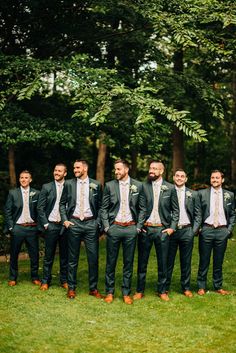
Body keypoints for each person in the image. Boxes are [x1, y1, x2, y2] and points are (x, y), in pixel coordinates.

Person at [101, 159, 146, 304]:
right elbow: (104, 208)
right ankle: (109, 292)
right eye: (115, 169)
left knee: (128, 262)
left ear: (126, 170)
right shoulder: (109, 185)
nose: (116, 172)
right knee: (111, 262)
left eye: (119, 169)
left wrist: (138, 227)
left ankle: (126, 292)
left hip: (131, 229)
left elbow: (142, 208)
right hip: (114, 228)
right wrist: (107, 227)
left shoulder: (138, 185)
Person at [134, 160, 179, 301]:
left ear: (161, 171)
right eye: (150, 168)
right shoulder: (143, 186)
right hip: (146, 229)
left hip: (162, 230)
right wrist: (140, 226)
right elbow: (138, 208)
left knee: (163, 262)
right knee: (142, 262)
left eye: (154, 168)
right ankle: (139, 290)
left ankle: (162, 290)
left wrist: (172, 228)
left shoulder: (170, 188)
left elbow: (176, 210)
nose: (151, 170)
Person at [59, 160, 103, 299]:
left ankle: (93, 289)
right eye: (74, 167)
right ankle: (71, 288)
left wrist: (97, 222)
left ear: (85, 168)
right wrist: (65, 220)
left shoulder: (96, 185)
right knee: (72, 258)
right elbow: (62, 203)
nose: (75, 170)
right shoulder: (69, 184)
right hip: (74, 223)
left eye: (77, 167)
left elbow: (101, 206)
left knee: (93, 258)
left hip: (91, 224)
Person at [197, 170, 236, 296]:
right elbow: (197, 213)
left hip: (222, 231)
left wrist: (228, 230)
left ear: (222, 180)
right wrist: (200, 228)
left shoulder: (229, 195)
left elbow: (232, 214)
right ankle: (201, 286)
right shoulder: (202, 194)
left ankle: (218, 286)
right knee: (204, 260)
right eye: (212, 177)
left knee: (218, 260)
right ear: (210, 179)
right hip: (206, 230)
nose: (214, 180)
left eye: (217, 178)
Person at [166, 169, 201, 297]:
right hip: (172, 231)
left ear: (186, 179)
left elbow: (198, 215)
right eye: (177, 176)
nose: (180, 178)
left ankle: (186, 287)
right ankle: (165, 287)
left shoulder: (193, 194)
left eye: (182, 176)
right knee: (168, 260)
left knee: (186, 261)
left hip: (187, 230)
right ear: (173, 178)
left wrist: (193, 231)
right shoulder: (167, 192)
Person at [4, 170, 41, 286]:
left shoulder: (37, 193)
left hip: (32, 228)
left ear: (30, 180)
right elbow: (8, 211)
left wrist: (39, 227)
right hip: (18, 228)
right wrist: (11, 227)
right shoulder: (13, 193)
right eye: (21, 178)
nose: (24, 179)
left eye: (26, 178)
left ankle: (35, 277)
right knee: (14, 254)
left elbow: (40, 211)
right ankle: (13, 278)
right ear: (19, 179)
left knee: (34, 254)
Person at [37, 163, 68, 290]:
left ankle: (64, 280)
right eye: (55, 170)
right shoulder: (47, 187)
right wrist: (46, 224)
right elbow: (40, 207)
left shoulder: (70, 186)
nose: (56, 172)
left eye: (59, 171)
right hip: (51, 225)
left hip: (65, 226)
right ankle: (45, 281)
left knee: (65, 256)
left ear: (65, 173)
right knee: (48, 256)